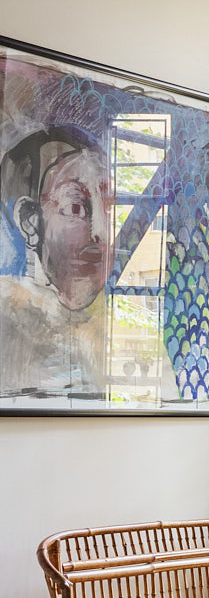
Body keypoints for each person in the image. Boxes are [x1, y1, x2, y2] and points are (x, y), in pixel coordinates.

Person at [0, 124, 116, 396]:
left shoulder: (113, 329)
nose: (101, 234)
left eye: (109, 208)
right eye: (75, 208)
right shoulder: (9, 326)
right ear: (30, 223)